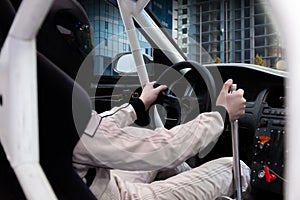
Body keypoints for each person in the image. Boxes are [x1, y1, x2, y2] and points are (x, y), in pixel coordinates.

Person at [73, 79, 250, 200]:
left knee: (168, 159)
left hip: (98, 185)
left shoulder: (51, 115)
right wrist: (221, 114)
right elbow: (164, 149)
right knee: (235, 168)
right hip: (115, 195)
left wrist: (139, 104)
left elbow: (96, 125)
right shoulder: (69, 122)